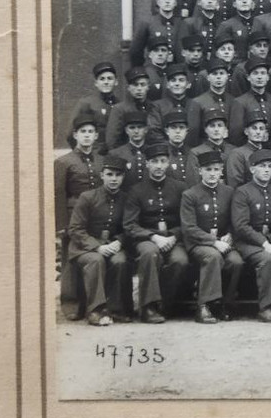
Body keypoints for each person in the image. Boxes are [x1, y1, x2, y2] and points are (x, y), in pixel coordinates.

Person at [122, 139, 190, 323]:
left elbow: (187, 220)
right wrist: (153, 237)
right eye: (154, 162)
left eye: (162, 161)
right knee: (150, 255)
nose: (159, 166)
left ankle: (165, 304)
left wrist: (174, 236)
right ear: (147, 164)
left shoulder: (180, 188)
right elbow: (130, 225)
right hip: (147, 239)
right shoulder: (136, 191)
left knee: (180, 261)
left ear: (168, 163)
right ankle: (148, 307)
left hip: (173, 238)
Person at [178, 150, 244, 323]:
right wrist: (213, 242)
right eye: (208, 169)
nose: (213, 173)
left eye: (216, 169)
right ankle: (203, 306)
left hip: (223, 241)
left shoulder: (229, 192)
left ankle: (223, 304)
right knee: (213, 256)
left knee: (236, 261)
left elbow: (235, 219)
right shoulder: (190, 194)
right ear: (200, 171)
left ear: (222, 170)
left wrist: (230, 234)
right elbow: (189, 228)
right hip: (198, 243)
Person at [66, 157, 131, 325]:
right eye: (109, 174)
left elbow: (129, 227)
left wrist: (119, 241)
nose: (114, 179)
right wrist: (96, 247)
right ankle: (96, 310)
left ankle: (117, 309)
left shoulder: (126, 199)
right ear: (102, 175)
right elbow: (75, 229)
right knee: (96, 260)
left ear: (123, 177)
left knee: (120, 261)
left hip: (112, 246)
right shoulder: (87, 197)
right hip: (84, 248)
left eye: (118, 175)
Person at [231, 150, 271, 322]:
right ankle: (265, 308)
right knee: (266, 260)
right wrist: (263, 242)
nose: (267, 170)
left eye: (270, 167)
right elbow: (241, 226)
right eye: (262, 166)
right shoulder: (242, 192)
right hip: (246, 241)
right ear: (252, 169)